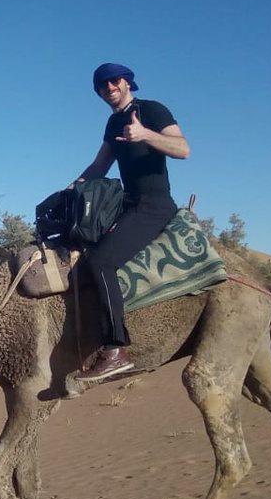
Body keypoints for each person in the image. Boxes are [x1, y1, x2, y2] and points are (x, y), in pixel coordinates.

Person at [71, 63, 190, 381]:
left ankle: (114, 350)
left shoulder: (151, 110)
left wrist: (145, 135)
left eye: (114, 80)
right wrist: (70, 189)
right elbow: (99, 165)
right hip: (127, 205)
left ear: (127, 83)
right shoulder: (113, 123)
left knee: (100, 262)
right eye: (101, 84)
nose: (109, 87)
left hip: (154, 206)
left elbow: (183, 149)